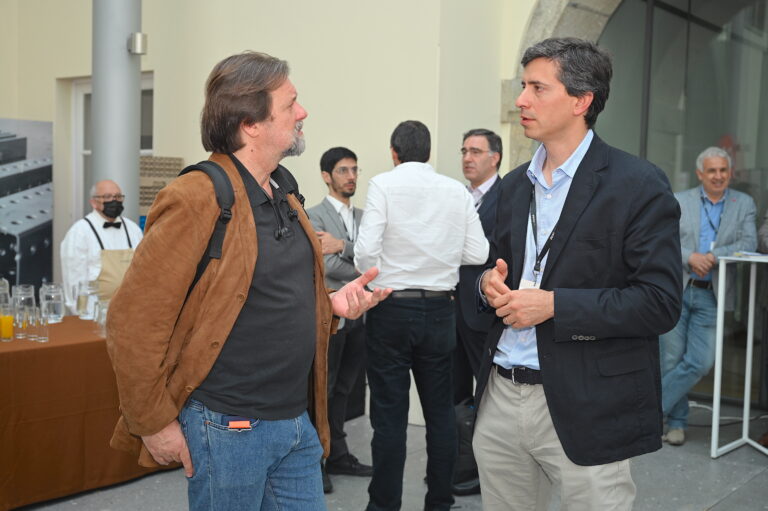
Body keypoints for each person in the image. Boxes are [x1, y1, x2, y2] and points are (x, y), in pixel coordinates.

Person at [105, 51, 390, 511]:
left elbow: (266, 294)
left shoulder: (285, 194)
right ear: (250, 124)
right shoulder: (196, 197)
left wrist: (332, 306)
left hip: (296, 423)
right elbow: (133, 321)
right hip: (229, 428)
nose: (303, 112)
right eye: (290, 104)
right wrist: (154, 423)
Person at [474, 37, 682, 510]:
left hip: (590, 403)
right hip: (501, 395)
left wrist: (554, 306)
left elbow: (660, 301)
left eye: (537, 88)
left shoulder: (637, 184)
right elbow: (481, 268)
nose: (521, 100)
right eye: (523, 86)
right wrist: (487, 285)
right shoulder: (513, 186)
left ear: (581, 101)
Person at [355, 120, 489, 511]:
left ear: (394, 152)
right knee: (441, 415)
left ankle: (384, 506)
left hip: (391, 308)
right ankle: (440, 503)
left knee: (389, 418)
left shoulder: (383, 184)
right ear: (428, 153)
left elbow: (364, 255)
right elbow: (478, 253)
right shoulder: (455, 190)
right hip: (440, 310)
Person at [659, 147, 757, 447]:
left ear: (730, 173)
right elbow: (663, 240)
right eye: (711, 170)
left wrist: (714, 256)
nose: (718, 176)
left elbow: (749, 241)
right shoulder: (680, 200)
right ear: (700, 173)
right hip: (677, 290)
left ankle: (647, 411)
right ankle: (676, 423)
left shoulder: (744, 203)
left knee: (700, 362)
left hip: (712, 294)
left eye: (723, 170)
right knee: (671, 359)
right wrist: (690, 257)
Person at [307, 146, 372, 493]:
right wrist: (363, 265)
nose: (351, 177)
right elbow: (326, 264)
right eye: (344, 170)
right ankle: (316, 460)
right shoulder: (313, 216)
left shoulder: (366, 216)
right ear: (326, 176)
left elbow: (379, 261)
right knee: (324, 389)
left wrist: (343, 246)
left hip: (361, 317)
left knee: (346, 388)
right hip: (330, 317)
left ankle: (339, 454)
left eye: (355, 170)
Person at [454, 128, 502, 404]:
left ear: (494, 158)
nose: (467, 158)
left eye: (475, 151)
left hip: (483, 310)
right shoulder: (456, 195)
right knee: (453, 393)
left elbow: (500, 249)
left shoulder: (507, 195)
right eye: (464, 151)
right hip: (450, 309)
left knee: (489, 392)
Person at [60, 179, 143, 313]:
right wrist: (85, 316)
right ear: (94, 202)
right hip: (94, 314)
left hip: (131, 312)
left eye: (118, 196)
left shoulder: (133, 229)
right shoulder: (79, 232)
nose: (114, 201)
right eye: (107, 197)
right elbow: (74, 285)